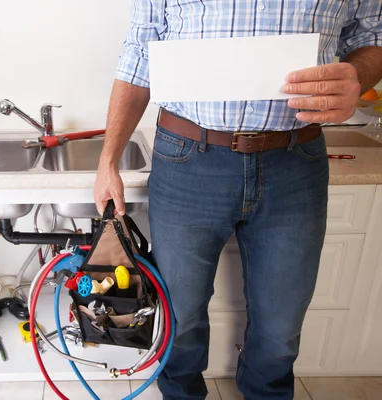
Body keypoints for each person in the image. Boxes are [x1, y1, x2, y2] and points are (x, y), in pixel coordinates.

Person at [94, 1, 382, 399]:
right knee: (180, 312)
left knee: (281, 323)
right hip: (187, 159)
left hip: (295, 161)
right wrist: (108, 159)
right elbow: (140, 53)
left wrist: (357, 75)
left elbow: (372, 37)